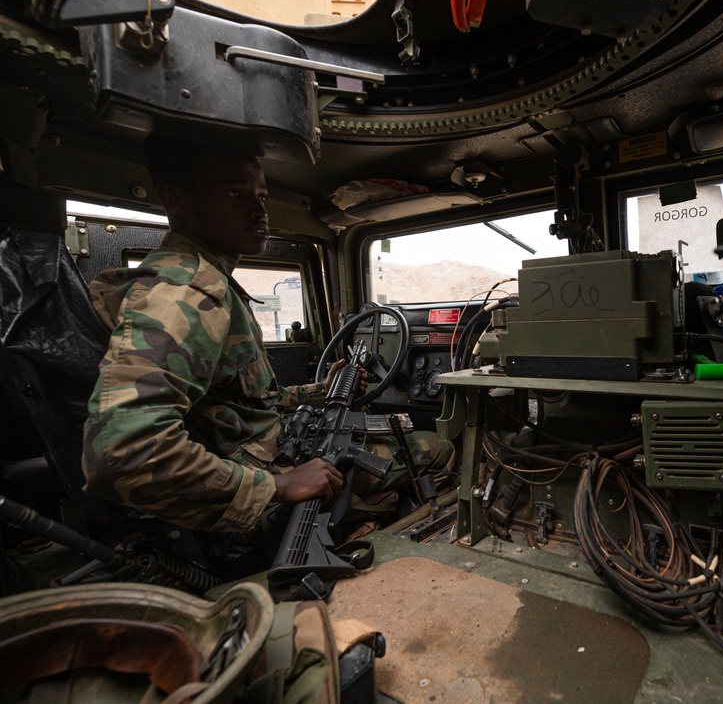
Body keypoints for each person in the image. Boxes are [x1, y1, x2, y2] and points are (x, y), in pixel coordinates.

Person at [81, 134, 454, 538]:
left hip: (270, 447)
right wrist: (279, 486)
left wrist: (319, 390)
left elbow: (248, 403)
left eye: (260, 195)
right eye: (235, 194)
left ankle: (363, 520)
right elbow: (121, 454)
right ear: (175, 199)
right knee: (437, 448)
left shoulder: (206, 282)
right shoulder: (185, 292)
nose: (259, 210)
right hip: (262, 474)